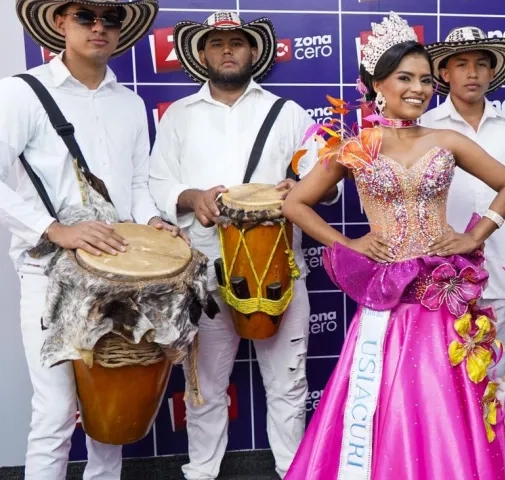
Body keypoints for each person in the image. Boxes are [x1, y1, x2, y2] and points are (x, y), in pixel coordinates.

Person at [281, 11, 505, 480]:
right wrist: (349, 243)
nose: (418, 88)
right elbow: (296, 203)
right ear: (378, 84)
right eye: (405, 78)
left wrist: (476, 235)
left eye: (425, 79)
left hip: (441, 298)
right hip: (386, 302)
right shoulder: (356, 145)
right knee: (384, 398)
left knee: (445, 401)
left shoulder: (447, 138)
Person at [147, 11, 343, 480]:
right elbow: (156, 182)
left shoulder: (289, 113)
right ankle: (202, 472)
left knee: (289, 385)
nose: (228, 50)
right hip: (206, 270)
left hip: (280, 270)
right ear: (201, 54)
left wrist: (298, 188)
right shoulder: (178, 117)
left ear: (254, 51)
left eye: (237, 42)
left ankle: (293, 469)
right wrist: (191, 197)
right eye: (217, 44)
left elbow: (330, 186)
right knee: (207, 387)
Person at [1, 1, 176, 479]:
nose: (99, 27)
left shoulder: (130, 103)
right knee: (56, 412)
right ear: (61, 22)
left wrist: (153, 223)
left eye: (111, 17)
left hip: (121, 273)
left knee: (111, 410)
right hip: (48, 271)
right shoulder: (21, 94)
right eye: (85, 16)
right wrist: (54, 229)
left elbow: (138, 184)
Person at [421, 26, 505, 378]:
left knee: (497, 380)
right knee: (444, 382)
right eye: (462, 64)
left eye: (482, 64)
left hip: (500, 276)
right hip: (439, 277)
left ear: (492, 72)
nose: (472, 73)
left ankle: (497, 437)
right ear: (444, 72)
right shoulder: (422, 126)